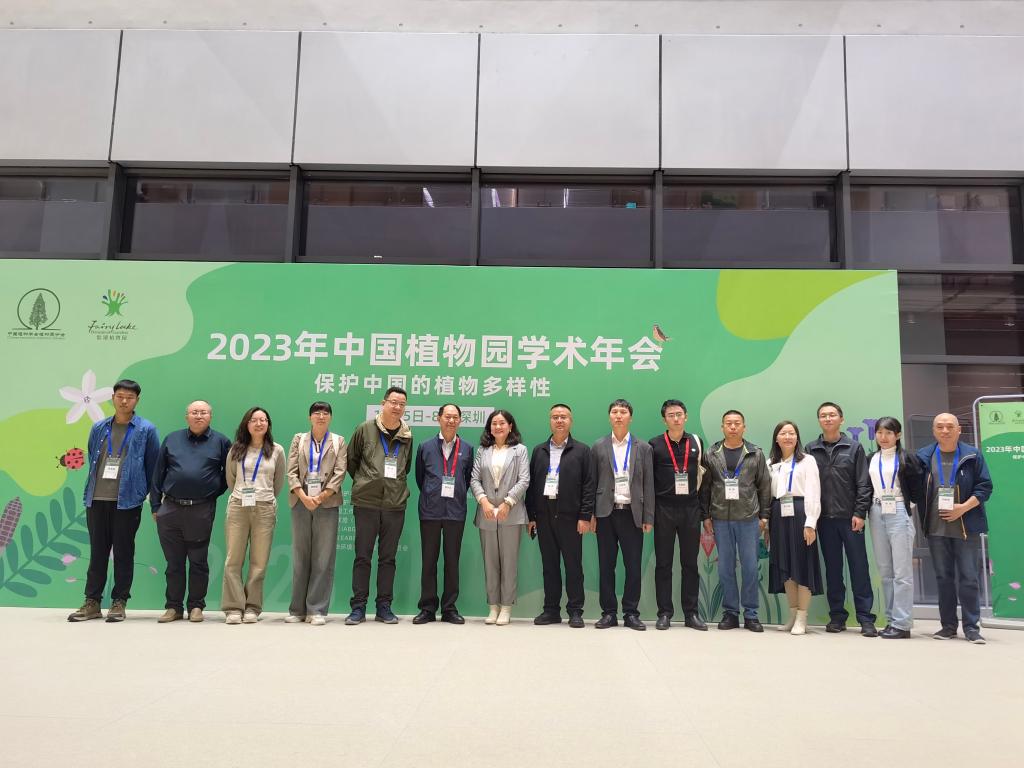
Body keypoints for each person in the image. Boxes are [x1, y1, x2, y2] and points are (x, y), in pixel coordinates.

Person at [69, 379, 160, 623]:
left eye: (129, 397)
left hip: (127, 501)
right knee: (97, 552)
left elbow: (153, 468)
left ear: (137, 401)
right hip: (97, 498)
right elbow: (93, 457)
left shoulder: (146, 429)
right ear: (112, 398)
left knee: (123, 552)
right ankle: (92, 602)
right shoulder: (99, 427)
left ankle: (119, 602)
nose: (124, 401)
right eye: (120, 396)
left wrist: (150, 500)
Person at [149, 400, 230, 624]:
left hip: (201, 509)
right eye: (194, 412)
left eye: (203, 412)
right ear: (187, 417)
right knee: (173, 563)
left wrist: (212, 492)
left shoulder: (221, 441)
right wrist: (156, 506)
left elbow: (229, 474)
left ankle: (196, 606)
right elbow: (158, 473)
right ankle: (173, 607)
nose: (198, 416)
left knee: (198, 560)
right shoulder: (172, 439)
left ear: (210, 416)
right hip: (170, 509)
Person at [918, 413, 994, 644]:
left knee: (969, 578)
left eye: (950, 426)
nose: (945, 431)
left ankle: (971, 628)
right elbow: (915, 488)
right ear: (933, 430)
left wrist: (963, 508)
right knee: (943, 578)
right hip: (936, 527)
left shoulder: (972, 455)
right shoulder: (923, 456)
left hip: (965, 526)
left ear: (959, 430)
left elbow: (985, 487)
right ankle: (948, 626)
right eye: (940, 427)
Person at [805, 402, 877, 636]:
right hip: (824, 520)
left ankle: (865, 618)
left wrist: (859, 513)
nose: (828, 418)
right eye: (823, 415)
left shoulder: (854, 448)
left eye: (832, 415)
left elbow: (864, 483)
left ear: (841, 419)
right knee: (833, 570)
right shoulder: (810, 449)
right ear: (819, 420)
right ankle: (837, 617)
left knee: (859, 568)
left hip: (850, 519)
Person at [345, 386, 414, 625]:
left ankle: (384, 607)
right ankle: (358, 608)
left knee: (388, 558)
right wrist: (367, 482)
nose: (397, 407)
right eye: (393, 402)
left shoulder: (407, 435)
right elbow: (351, 461)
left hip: (395, 503)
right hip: (367, 502)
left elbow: (406, 466)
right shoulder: (364, 429)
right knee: (362, 557)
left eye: (402, 404)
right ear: (383, 403)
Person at [700, 410, 771, 632]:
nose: (732, 427)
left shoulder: (755, 453)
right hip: (720, 518)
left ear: (744, 427)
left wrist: (764, 516)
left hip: (749, 519)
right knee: (725, 569)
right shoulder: (711, 453)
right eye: (728, 423)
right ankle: (730, 613)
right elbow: (705, 488)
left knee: (750, 568)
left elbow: (764, 486)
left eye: (737, 423)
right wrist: (705, 516)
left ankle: (751, 614)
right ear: (722, 427)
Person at [525, 403, 595, 628]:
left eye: (564, 417)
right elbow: (531, 486)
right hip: (544, 515)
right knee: (549, 566)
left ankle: (575, 611)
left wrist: (585, 516)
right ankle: (551, 610)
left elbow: (589, 485)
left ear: (571, 421)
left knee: (573, 566)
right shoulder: (539, 451)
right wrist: (531, 516)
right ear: (550, 421)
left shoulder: (582, 451)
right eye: (555, 417)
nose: (559, 420)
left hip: (571, 518)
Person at [592, 399, 655, 631]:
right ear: (609, 416)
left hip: (632, 514)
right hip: (605, 514)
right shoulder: (598, 446)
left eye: (623, 412)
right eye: (614, 412)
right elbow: (592, 482)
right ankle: (608, 613)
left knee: (633, 566)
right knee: (606, 566)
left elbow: (649, 484)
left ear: (630, 417)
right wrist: (591, 514)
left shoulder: (643, 448)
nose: (618, 415)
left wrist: (648, 517)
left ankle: (631, 613)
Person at [221, 406, 286, 625]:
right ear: (246, 424)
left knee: (259, 562)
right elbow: (231, 479)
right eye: (254, 420)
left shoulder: (276, 450)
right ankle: (233, 607)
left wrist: (263, 496)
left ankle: (252, 607)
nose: (259, 423)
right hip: (239, 506)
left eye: (263, 420)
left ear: (268, 424)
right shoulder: (236, 449)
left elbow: (278, 482)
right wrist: (243, 494)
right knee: (233, 560)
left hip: (265, 508)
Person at [649, 399, 709, 631]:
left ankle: (691, 614)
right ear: (664, 419)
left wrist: (703, 512)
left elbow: (704, 478)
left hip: (690, 508)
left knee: (690, 564)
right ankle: (664, 613)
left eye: (679, 414)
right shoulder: (655, 444)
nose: (676, 418)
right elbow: (648, 481)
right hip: (663, 509)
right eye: (671, 415)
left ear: (686, 417)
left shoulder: (696, 442)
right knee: (663, 564)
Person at [286, 401, 347, 626]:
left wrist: (320, 497)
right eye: (316, 413)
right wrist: (304, 496)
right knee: (300, 556)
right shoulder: (299, 439)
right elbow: (291, 471)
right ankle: (297, 609)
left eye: (325, 413)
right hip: (300, 501)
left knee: (323, 557)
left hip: (327, 503)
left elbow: (340, 473)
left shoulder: (339, 441)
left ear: (330, 417)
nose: (321, 416)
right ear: (309, 417)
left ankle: (316, 609)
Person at [413, 403, 474, 625]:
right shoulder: (425, 446)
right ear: (438, 418)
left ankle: (449, 608)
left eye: (455, 417)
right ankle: (427, 608)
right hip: (430, 510)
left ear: (460, 421)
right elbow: (420, 478)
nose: (451, 420)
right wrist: (432, 493)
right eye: (447, 416)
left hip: (455, 511)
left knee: (452, 561)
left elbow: (467, 479)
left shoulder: (467, 448)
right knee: (429, 561)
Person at [867, 416, 926, 639]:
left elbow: (918, 489)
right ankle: (891, 620)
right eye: (880, 433)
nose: (883, 437)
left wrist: (905, 506)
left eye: (888, 433)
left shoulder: (907, 458)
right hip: (876, 510)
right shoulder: (871, 458)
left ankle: (902, 624)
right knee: (885, 571)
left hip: (899, 511)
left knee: (902, 572)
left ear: (898, 435)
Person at [471, 409, 530, 625]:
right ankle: (493, 607)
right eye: (494, 423)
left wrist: (508, 502)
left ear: (510, 426)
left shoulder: (519, 450)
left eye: (502, 423)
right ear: (489, 427)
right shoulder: (483, 450)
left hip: (511, 514)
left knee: (509, 562)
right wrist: (483, 501)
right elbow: (474, 479)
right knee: (490, 562)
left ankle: (506, 607)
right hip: (486, 513)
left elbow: (524, 480)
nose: (498, 426)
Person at [767, 421, 823, 636]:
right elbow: (767, 493)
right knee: (786, 567)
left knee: (802, 565)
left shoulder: (807, 460)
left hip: (801, 513)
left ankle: (802, 617)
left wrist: (810, 523)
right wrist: (767, 523)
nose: (788, 437)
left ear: (797, 437)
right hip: (778, 514)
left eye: (792, 433)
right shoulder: (771, 463)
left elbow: (814, 492)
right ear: (776, 438)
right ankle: (792, 615)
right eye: (783, 433)